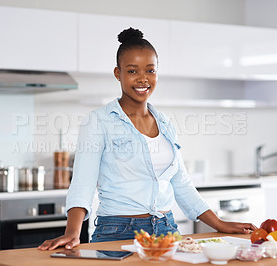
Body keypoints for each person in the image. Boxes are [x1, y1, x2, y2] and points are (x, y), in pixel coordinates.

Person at [38, 27, 257, 251]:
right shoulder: (98, 121)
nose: (143, 79)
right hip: (118, 232)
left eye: (150, 70)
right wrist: (72, 233)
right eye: (132, 71)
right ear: (118, 73)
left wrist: (219, 224)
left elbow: (181, 184)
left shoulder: (166, 124)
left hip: (167, 231)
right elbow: (83, 183)